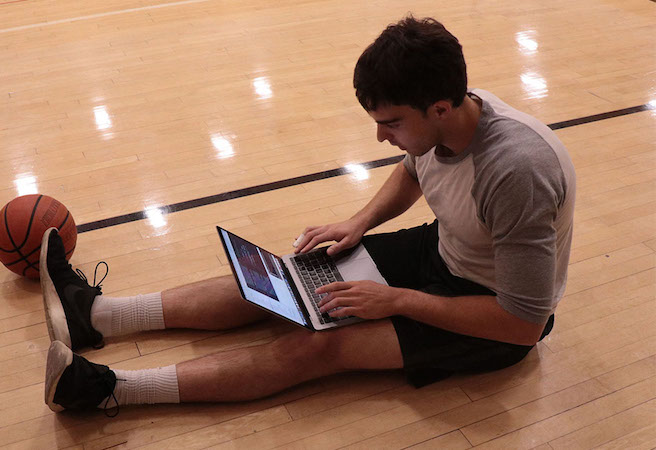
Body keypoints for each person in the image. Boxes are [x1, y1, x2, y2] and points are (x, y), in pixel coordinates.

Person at [40, 15, 575, 414]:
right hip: (447, 252)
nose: (380, 135)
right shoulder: (446, 114)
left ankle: (106, 390)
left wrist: (397, 302)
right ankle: (97, 315)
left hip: (490, 317)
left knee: (322, 345)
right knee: (285, 280)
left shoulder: (515, 174)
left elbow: (523, 323)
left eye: (390, 122)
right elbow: (415, 168)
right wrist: (360, 221)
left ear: (440, 108)